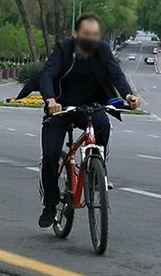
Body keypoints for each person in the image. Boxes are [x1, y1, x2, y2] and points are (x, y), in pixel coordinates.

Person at [38, 13, 141, 228]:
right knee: (50, 156)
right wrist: (50, 100)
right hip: (60, 107)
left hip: (89, 107)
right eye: (86, 34)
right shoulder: (63, 49)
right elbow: (47, 75)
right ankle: (50, 205)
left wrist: (128, 95)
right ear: (76, 34)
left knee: (103, 124)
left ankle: (97, 170)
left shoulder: (102, 50)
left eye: (95, 35)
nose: (91, 39)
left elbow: (116, 73)